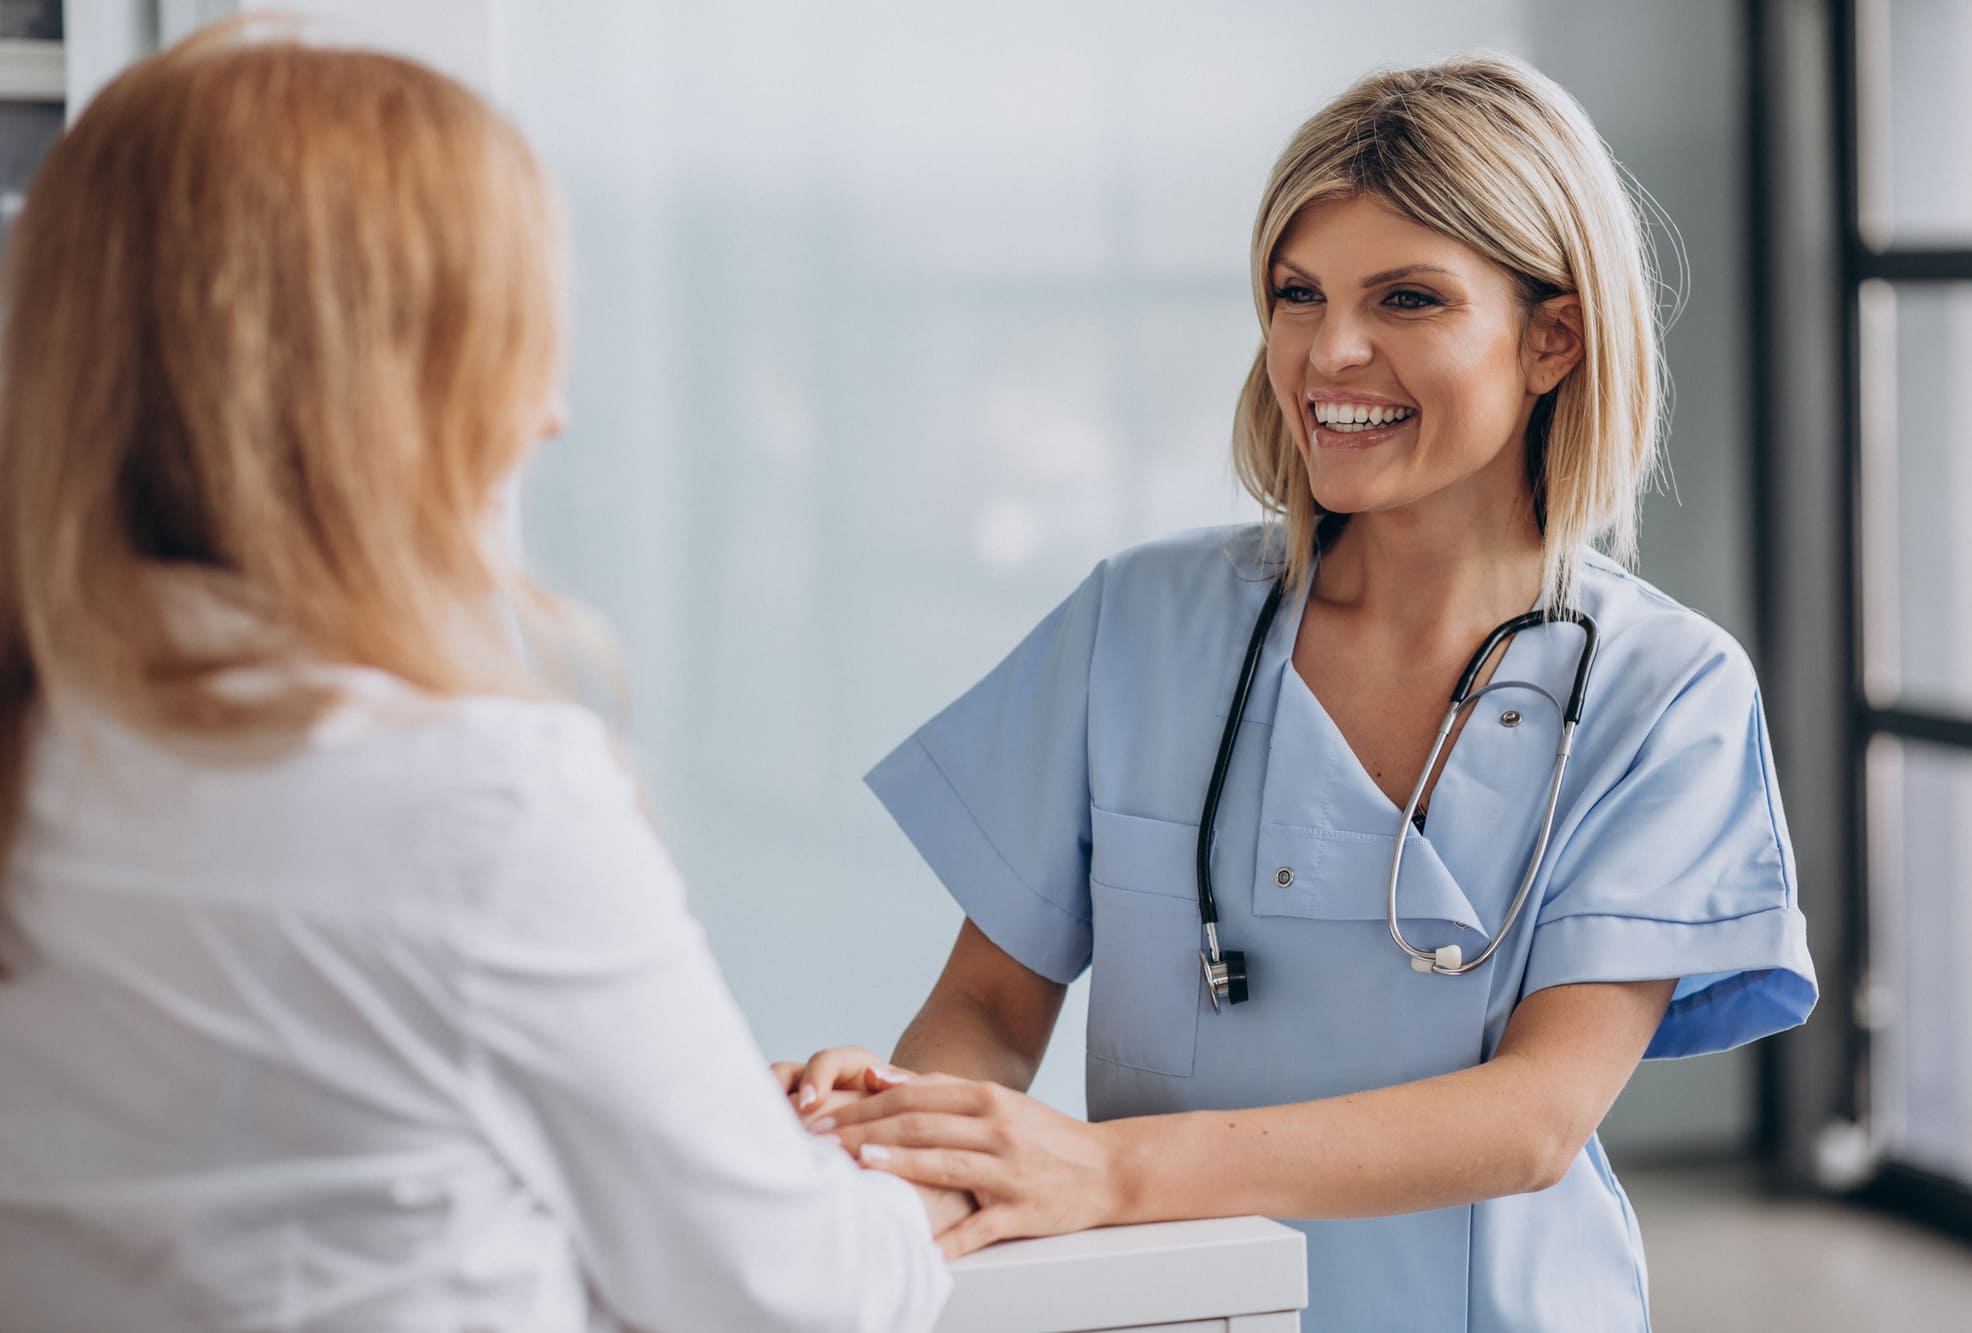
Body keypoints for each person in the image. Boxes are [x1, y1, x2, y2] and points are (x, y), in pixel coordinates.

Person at [776, 52, 1816, 1332]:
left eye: (1408, 298)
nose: (1330, 351)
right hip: (1185, 1306)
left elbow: (1536, 1116)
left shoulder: (1666, 690)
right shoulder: (1138, 625)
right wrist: (907, 1134)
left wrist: (1107, 1171)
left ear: (1552, 336)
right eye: (1295, 293)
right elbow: (988, 1008)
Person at [0, 22, 958, 1333]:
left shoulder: (52, 749)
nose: (547, 411)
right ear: (368, 386)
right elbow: (781, 1294)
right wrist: (918, 1181)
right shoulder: (468, 793)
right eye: (500, 339)